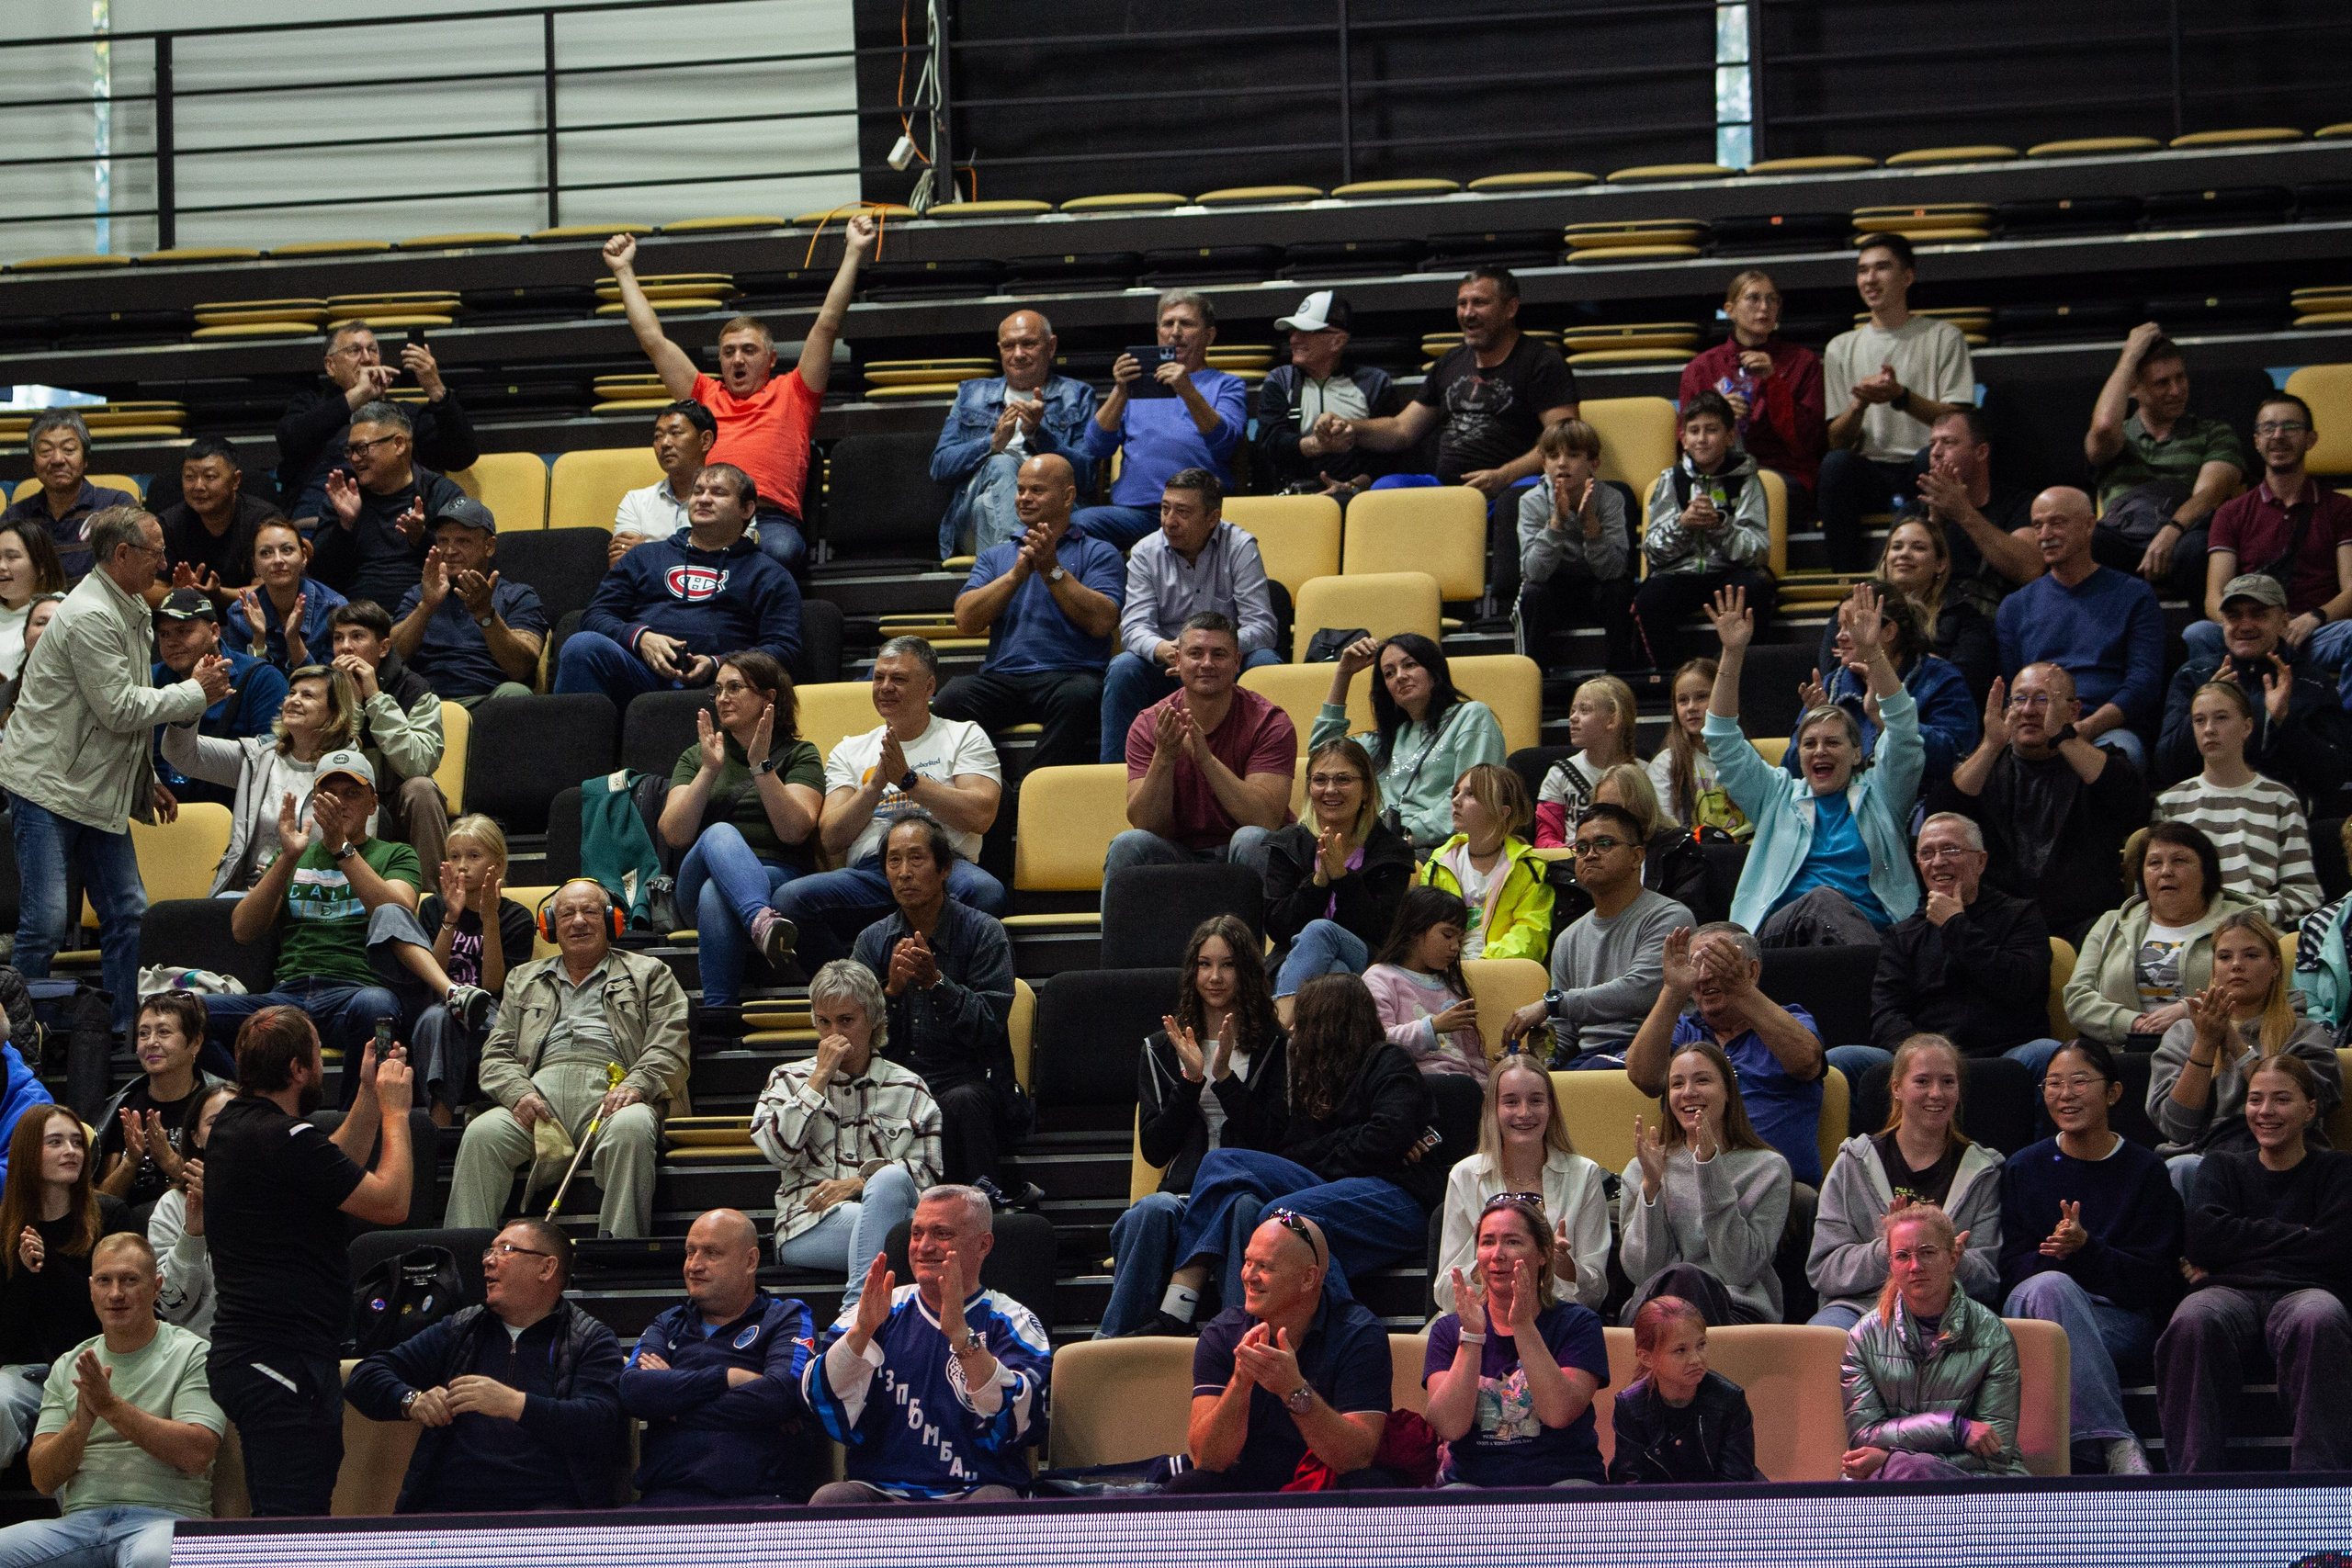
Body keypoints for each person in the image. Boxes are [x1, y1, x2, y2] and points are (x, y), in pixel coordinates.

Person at [0, 508, 229, 1034]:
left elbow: (114, 717)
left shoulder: (127, 604)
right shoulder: (90, 615)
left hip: (94, 788)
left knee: (128, 913)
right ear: (122, 554)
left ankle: (127, 1034)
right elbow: (121, 707)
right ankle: (17, 1037)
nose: (165, 562)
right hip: (46, 788)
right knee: (45, 924)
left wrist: (143, 776)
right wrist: (195, 692)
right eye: (156, 552)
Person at [203, 1008, 414, 1516]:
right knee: (293, 1529)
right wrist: (395, 1112)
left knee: (287, 1520)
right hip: (278, 1359)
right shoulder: (281, 1137)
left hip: (262, 1355)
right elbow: (392, 1202)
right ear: (300, 1070)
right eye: (319, 1055)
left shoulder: (243, 1124)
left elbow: (328, 1171)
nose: (324, 1064)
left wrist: (366, 1091)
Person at [603, 217, 878, 575]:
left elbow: (827, 323)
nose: (737, 359)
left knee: (777, 552)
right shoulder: (703, 394)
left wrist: (854, 251)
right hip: (706, 515)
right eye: (729, 351)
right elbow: (654, 342)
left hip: (769, 521)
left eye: (749, 350)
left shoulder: (795, 391)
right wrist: (623, 271)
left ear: (771, 358)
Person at [1163, 974, 1439, 1314]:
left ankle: (1180, 1302)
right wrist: (1356, 1136)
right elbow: (1292, 1153)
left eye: (1303, 1021)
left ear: (1329, 1023)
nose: (1293, 1032)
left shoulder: (1389, 1061)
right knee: (1243, 1202)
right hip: (1330, 1191)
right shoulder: (1317, 1078)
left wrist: (1341, 1146)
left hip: (1396, 1200)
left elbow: (1387, 1137)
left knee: (1271, 1209)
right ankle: (1243, 1326)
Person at [447, 880, 691, 1240]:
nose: (579, 921)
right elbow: (496, 1054)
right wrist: (518, 1094)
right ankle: (465, 1256)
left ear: (611, 921)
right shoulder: (523, 979)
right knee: (482, 1134)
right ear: (549, 926)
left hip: (615, 1097)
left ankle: (620, 1250)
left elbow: (670, 1044)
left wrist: (637, 1086)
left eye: (590, 912)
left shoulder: (650, 973)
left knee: (633, 1128)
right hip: (537, 1100)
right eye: (567, 914)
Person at [345, 1219, 625, 1514]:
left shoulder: (589, 1339)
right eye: (488, 1252)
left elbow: (601, 1423)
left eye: (505, 1250)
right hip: (449, 1507)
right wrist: (412, 1401)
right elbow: (365, 1375)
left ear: (547, 1268)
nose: (489, 1262)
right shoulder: (462, 1327)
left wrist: (515, 1404)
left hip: (545, 1509)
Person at [2158, 1053, 2352, 1473]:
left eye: (2281, 1100)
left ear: (2310, 1109)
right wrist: (2300, 1235)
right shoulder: (2221, 1165)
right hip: (2229, 1292)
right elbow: (2204, 1240)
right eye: (2255, 1099)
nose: (2265, 1112)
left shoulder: (2338, 1169)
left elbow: (2337, 1247)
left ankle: (2318, 1491)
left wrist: (2241, 1237)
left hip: (2307, 1293)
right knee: (2193, 1319)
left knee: (2320, 1318)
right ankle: (2193, 1490)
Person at [1100, 916, 1290, 1339]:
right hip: (1182, 1188)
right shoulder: (1161, 1048)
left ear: (1247, 972)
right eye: (1205, 964)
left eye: (1228, 965)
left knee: (1239, 1207)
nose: (1216, 977)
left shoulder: (1276, 1046)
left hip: (1250, 1189)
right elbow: (1154, 1148)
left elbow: (1273, 1141)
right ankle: (1113, 1343)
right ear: (1193, 971)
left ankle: (1239, 1339)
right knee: (1150, 1210)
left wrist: (1225, 1081)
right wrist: (1190, 1081)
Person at [1703, 584, 1922, 947]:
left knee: (1830, 905)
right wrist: (1732, 653)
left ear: (1857, 753)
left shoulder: (1881, 794)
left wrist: (1873, 654)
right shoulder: (1775, 796)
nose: (1820, 751)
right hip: (1780, 942)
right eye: (1809, 744)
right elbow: (1722, 738)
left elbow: (1903, 730)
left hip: (1872, 937)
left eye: (1833, 742)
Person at [1999, 1037, 2180, 1474]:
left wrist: (2087, 1250)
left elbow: (2154, 1280)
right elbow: (2008, 1271)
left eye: (2079, 1081)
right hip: (2037, 1310)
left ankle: (2080, 1453)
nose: (2065, 1094)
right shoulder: (2024, 1166)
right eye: (2054, 1083)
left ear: (2113, 1092)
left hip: (2118, 1320)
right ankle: (2115, 1440)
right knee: (2052, 1287)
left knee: (2061, 1296)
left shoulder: (2145, 1171)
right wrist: (2061, 1257)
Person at [803, 1185, 1051, 1503]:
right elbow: (817, 1399)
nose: (924, 1246)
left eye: (941, 1234)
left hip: (977, 1490)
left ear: (983, 1245)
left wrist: (963, 1338)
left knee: (996, 1503)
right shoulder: (875, 1309)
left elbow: (1024, 1422)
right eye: (916, 1233)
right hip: (882, 1490)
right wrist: (861, 1333)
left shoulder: (1014, 1320)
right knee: (831, 1499)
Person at [193, 749, 426, 1082]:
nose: (340, 803)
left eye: (352, 794)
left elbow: (398, 910)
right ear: (315, 800)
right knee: (188, 1016)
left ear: (373, 803)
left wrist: (341, 850)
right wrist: (287, 858)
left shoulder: (395, 854)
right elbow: (242, 929)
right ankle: (256, 1099)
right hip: (288, 995)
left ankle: (357, 1122)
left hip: (356, 992)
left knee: (381, 1014)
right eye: (329, 794)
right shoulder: (293, 855)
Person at [781, 637, 1005, 971]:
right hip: (874, 873)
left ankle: (942, 989)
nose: (885, 687)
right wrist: (874, 787)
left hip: (944, 868)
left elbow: (982, 814)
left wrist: (909, 781)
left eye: (898, 679)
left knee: (986, 891)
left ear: (929, 687)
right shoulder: (850, 750)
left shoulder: (964, 736)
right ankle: (860, 993)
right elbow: (831, 837)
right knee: (790, 900)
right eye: (879, 677)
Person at [1, 1233, 222, 1568]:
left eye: (130, 1280)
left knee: (152, 1560)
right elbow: (43, 1480)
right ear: (91, 1289)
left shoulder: (193, 1354)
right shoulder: (71, 1364)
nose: (116, 1293)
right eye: (104, 1281)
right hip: (79, 1524)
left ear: (156, 1286)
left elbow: (196, 1454)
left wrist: (110, 1407)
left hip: (165, 1521)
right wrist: (81, 1424)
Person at [851, 814, 1027, 1192]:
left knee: (963, 1102)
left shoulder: (984, 932)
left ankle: (984, 1205)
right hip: (895, 1082)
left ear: (945, 868)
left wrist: (936, 983)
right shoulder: (871, 941)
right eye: (894, 861)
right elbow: (856, 1035)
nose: (904, 873)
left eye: (917, 859)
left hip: (968, 1078)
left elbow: (988, 1026)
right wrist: (892, 993)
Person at [1321, 266, 1579, 521]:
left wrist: (1503, 476)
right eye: (1462, 304)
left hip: (1509, 487)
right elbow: (1401, 430)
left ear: (1510, 308)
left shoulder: (1541, 361)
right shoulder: (1450, 362)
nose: (1468, 313)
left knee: (1525, 497)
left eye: (1479, 303)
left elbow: (1562, 438)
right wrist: (1350, 428)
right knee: (1386, 490)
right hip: (1446, 488)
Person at [1171, 1211, 1396, 1494]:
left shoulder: (1359, 1334)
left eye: (1264, 1266)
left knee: (1369, 1486)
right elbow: (1206, 1458)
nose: (1248, 1276)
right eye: (1247, 1261)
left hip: (1326, 1484)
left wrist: (1293, 1390)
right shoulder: (1222, 1333)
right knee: (1190, 1486)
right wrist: (1240, 1383)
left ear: (1308, 1279)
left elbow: (1356, 1457)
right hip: (1247, 1483)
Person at [751, 960, 938, 1296]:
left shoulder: (910, 1088)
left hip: (894, 1217)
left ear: (875, 1020)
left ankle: (856, 1310)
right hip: (808, 1224)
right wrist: (817, 1082)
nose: (834, 1033)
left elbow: (928, 1176)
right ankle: (861, 1308)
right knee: (914, 1238)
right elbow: (778, 1152)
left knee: (892, 1180)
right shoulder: (787, 1079)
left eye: (846, 1020)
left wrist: (860, 1183)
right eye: (824, 1021)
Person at [933, 454, 1124, 773]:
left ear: (1068, 496)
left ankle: (1036, 791)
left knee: (1081, 696)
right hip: (1004, 679)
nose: (1024, 498)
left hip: (1070, 675)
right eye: (1020, 490)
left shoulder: (1099, 552)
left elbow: (1103, 621)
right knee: (951, 698)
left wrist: (1052, 570)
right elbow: (966, 620)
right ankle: (990, 788)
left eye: (1036, 490)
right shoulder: (996, 557)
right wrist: (1015, 576)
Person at [1938, 662, 2151, 945]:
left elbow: (2135, 805)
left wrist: (2063, 736)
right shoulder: (1988, 769)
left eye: (2043, 699)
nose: (2029, 710)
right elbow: (1940, 817)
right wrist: (1990, 746)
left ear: (2074, 711)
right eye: (2020, 700)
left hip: (2086, 926)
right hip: (2001, 928)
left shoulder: (2100, 761)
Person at [656, 651, 824, 1006]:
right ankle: (761, 923)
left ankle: (719, 1011)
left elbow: (795, 831)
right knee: (719, 833)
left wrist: (761, 766)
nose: (722, 698)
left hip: (778, 877)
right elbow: (674, 834)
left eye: (734, 688)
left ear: (769, 697)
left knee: (715, 894)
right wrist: (709, 771)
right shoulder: (698, 755)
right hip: (697, 873)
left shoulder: (800, 754)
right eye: (717, 690)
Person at [556, 463, 803, 701]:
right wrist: (641, 638)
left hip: (721, 689)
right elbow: (596, 616)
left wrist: (719, 664)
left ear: (747, 509)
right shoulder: (643, 557)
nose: (704, 499)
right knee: (582, 646)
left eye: (718, 493)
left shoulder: (770, 575)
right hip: (640, 673)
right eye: (698, 492)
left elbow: (783, 649)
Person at [1807, 1034, 2004, 1331]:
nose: (1936, 1093)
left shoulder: (1983, 1171)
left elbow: (1988, 1278)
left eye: (1948, 1082)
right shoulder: (1854, 1163)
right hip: (1861, 1308)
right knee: (1822, 1336)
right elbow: (1824, 1268)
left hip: (1947, 1312)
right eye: (1922, 1081)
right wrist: (1888, 1248)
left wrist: (1949, 1257)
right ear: (1897, 1088)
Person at [620, 1208, 815, 1507]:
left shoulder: (786, 1317)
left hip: (762, 1499)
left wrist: (674, 1407)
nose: (694, 1265)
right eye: (689, 1253)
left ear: (750, 1261)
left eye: (711, 1253)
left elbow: (782, 1393)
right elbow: (634, 1391)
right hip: (665, 1499)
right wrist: (728, 1378)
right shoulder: (668, 1322)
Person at [2149, 911, 2340, 1200]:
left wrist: (2234, 1043)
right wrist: (2205, 1042)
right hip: (2201, 1160)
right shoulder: (2184, 1034)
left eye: (2251, 956)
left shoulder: (2304, 1033)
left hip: (2285, 1164)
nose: (2237, 965)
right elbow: (2177, 1128)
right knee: (2181, 1168)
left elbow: (2308, 1117)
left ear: (2275, 966)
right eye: (2225, 957)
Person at [1425, 1194, 1609, 1487]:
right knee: (1455, 1496)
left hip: (1562, 1479)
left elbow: (1558, 1413)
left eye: (1512, 1241)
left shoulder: (1579, 1324)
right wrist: (1471, 1337)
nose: (1498, 1254)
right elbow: (1448, 1425)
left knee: (1574, 1493)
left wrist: (1522, 1325)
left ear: (1543, 1253)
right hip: (1475, 1483)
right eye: (1487, 1242)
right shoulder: (1449, 1330)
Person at [1099, 469, 1282, 762]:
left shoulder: (1240, 546)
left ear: (1212, 518)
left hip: (1223, 665)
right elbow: (1134, 628)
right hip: (1169, 663)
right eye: (1165, 508)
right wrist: (1166, 650)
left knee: (1265, 662)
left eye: (1182, 512)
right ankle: (1114, 779)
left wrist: (1209, 651)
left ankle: (1266, 764)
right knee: (1123, 668)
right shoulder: (1145, 552)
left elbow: (1262, 628)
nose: (1169, 520)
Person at [1817, 233, 1974, 573]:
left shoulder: (1944, 337)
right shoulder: (1840, 348)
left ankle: (1937, 572)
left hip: (1925, 463)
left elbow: (1958, 419)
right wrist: (1859, 404)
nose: (1869, 279)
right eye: (1862, 270)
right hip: (1871, 469)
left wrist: (1901, 397)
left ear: (1907, 277)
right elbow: (1837, 440)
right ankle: (1844, 578)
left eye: (1881, 268)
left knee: (1929, 459)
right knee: (1835, 465)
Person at [1627, 921, 1826, 1186]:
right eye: (1695, 965)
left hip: (1775, 1186)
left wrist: (1742, 991)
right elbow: (1643, 1078)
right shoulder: (1684, 1031)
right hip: (1689, 1183)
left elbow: (1807, 1063)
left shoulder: (1790, 1021)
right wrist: (1674, 989)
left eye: (1717, 962)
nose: (1703, 976)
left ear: (1752, 970)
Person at [1839, 1201, 2028, 1480]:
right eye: (1902, 1256)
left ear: (1953, 1258)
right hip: (1888, 1478)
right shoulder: (1864, 1336)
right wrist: (1954, 1428)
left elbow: (1997, 1449)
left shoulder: (1992, 1335)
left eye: (1927, 1253)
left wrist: (1895, 1459)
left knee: (1915, 1470)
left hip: (1976, 1480)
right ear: (1891, 1264)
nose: (1915, 1266)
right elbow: (1864, 1437)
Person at [366, 813, 530, 1122]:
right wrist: (450, 919)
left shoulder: (515, 917)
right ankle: (456, 995)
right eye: (454, 857)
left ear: (499, 864)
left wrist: (489, 920)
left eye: (474, 856)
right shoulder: (433, 907)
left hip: (488, 1016)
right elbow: (429, 974)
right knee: (438, 1015)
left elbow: (494, 985)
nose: (462, 866)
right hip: (437, 1005)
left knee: (440, 1018)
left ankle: (437, 1127)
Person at [1106, 612, 1295, 880]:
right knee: (1128, 844)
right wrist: (1164, 757)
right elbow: (1147, 825)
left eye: (1219, 654)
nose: (1207, 663)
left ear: (1237, 662)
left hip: (1243, 849)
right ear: (1177, 661)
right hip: (1180, 853)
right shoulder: (1150, 724)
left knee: (1251, 838)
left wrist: (1206, 760)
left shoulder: (1269, 721)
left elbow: (1265, 820)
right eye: (1196, 653)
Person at [1504, 803, 1692, 1070]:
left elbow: (1638, 991)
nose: (1590, 855)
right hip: (1591, 1060)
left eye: (1604, 844)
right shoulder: (1568, 938)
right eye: (1581, 848)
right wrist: (1538, 1060)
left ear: (1637, 856)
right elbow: (1566, 1029)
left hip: (1656, 1053)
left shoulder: (1669, 918)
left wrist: (1554, 1003)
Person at [1618, 1039, 1794, 1325]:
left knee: (1687, 1279)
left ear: (1728, 1092)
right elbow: (1641, 1273)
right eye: (1677, 1084)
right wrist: (1651, 1188)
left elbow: (1739, 1269)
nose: (1688, 1093)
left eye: (1702, 1081)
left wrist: (1709, 1166)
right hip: (1657, 1313)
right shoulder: (1642, 1169)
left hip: (1734, 1309)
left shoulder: (1768, 1168)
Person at [1866, 814, 2056, 1073]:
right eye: (1927, 854)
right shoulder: (1902, 934)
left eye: (1950, 850)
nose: (1938, 862)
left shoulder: (2021, 915)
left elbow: (2018, 986)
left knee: (2045, 1052)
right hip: (1925, 1060)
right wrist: (1926, 1054)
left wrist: (1954, 924)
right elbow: (1887, 1014)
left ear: (1981, 861)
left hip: (2006, 1054)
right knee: (1846, 1059)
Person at [0, 1109, 135, 1466]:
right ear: (29, 1152)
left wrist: (48, 1266)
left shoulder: (111, 1216)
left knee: (82, 1418)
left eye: (77, 1142)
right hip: (25, 1372)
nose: (72, 1151)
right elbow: (6, 1338)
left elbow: (113, 1311)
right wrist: (27, 1273)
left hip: (97, 1367)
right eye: (56, 1142)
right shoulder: (3, 1228)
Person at [1999, 487, 2166, 770]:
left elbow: (2143, 684)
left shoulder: (2134, 595)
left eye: (2057, 523)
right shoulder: (2015, 606)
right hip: (2034, 727)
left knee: (2125, 756)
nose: (2045, 535)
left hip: (2104, 729)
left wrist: (2085, 728)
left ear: (2089, 525)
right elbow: (2008, 689)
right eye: (2037, 526)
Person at [164, 661, 359, 899]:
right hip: (250, 891)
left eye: (308, 695)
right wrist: (192, 707)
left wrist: (283, 880)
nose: (294, 700)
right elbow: (182, 755)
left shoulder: (352, 770)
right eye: (292, 693)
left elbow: (359, 850)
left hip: (320, 892)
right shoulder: (258, 757)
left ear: (335, 711)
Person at [1432, 1055, 1611, 1314]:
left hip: (1554, 1323)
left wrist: (1561, 1263)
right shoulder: (1464, 1175)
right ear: (1492, 1109)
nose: (1524, 1113)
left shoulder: (1584, 1174)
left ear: (1551, 1107)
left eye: (1536, 1100)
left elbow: (1596, 1295)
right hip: (1484, 1323)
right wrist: (1489, 1261)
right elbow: (1446, 1296)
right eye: (1511, 1102)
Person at [1075, 290, 1248, 549]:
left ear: (1209, 335)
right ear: (1158, 332)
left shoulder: (1226, 385)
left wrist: (1187, 390)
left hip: (1198, 514)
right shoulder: (1134, 384)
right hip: (1137, 514)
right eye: (1168, 324)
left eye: (1186, 324)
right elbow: (1097, 446)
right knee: (1075, 525)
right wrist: (1121, 392)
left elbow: (1226, 444)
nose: (1175, 332)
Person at [2086, 324, 2246, 600]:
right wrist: (2129, 355)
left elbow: (2210, 495)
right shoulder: (2117, 437)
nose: (2176, 390)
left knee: (2199, 547)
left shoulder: (2213, 432)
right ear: (2134, 388)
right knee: (2086, 542)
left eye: (2180, 378)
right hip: (2123, 539)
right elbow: (2102, 427)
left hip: (2184, 538)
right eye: (2162, 383)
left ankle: (2203, 636)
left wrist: (2170, 533)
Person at [2159, 573, 2352, 802]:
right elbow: (2167, 768)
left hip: (2284, 811)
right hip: (2206, 806)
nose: (2245, 625)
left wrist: (2285, 720)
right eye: (2234, 616)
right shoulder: (2194, 676)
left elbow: (2333, 775)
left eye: (2258, 614)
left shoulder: (2313, 682)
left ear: (2284, 621)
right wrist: (2208, 707)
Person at [2066, 821, 2258, 1049]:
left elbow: (2261, 989)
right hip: (2123, 1054)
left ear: (2206, 872)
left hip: (2215, 1052)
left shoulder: (2242, 922)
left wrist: (2189, 1011)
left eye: (2179, 861)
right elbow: (2077, 997)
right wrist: (2134, 1024)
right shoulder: (2111, 923)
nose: (2166, 871)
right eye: (2155, 863)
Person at [1894, 409, 2043, 699]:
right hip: (1931, 627)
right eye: (1933, 443)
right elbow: (1901, 580)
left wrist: (1962, 512)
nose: (1934, 453)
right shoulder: (1914, 512)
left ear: (1981, 451)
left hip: (1997, 630)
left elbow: (2029, 568)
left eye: (1948, 443)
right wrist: (1935, 521)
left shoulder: (2018, 504)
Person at [1314, 632, 1507, 853]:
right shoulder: (1386, 740)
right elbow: (1323, 755)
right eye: (1389, 673)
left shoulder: (1470, 716)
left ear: (1433, 671)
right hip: (1381, 847)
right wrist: (1344, 673)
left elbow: (1477, 794)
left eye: (1410, 665)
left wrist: (1409, 836)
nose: (1400, 676)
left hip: (1442, 847)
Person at [930, 309, 1099, 556]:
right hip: (970, 524)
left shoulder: (1076, 396)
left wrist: (1039, 437)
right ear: (1000, 349)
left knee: (986, 506)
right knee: (1002, 465)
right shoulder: (971, 394)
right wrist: (992, 443)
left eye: (1028, 344)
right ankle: (1022, 566)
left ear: (1051, 347)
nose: (1018, 354)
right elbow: (939, 466)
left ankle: (1012, 573)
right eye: (1009, 346)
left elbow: (1086, 475)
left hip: (1050, 516)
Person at [1263, 738, 1415, 1012]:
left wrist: (1343, 879)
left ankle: (1279, 1030)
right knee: (1335, 973)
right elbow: (1279, 927)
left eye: (1343, 779)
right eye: (1320, 780)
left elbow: (1382, 932)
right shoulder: (1288, 844)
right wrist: (1319, 882)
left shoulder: (1391, 852)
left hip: (1368, 961)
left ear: (1367, 789)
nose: (1330, 790)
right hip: (1297, 960)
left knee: (1322, 931)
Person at [1631, 391, 1778, 673]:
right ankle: (1672, 680)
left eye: (1711, 430)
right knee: (1649, 599)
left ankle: (1742, 676)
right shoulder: (1670, 480)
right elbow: (1653, 550)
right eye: (1694, 431)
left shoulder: (1747, 480)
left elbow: (1758, 551)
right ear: (1683, 439)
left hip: (1727, 572)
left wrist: (1721, 528)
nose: (1702, 439)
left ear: (1729, 436)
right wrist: (1683, 525)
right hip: (1679, 573)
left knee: (1755, 589)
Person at [1790, 574, 1977, 795]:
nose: (1839, 636)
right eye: (1839, 627)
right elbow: (1791, 770)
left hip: (1921, 808)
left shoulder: (1940, 679)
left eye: (1851, 626)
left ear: (1889, 631)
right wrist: (1814, 729)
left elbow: (1953, 759)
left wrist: (1886, 720)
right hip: (1845, 809)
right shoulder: (1832, 685)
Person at [2155, 680, 2322, 926]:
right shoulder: (2170, 803)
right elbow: (2153, 892)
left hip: (2255, 930)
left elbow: (2305, 894)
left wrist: (2247, 915)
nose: (2209, 729)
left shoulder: (2280, 800)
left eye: (2221, 718)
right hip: (2187, 931)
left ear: (2246, 727)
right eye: (2199, 720)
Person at [276, 321, 475, 525]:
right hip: (316, 525)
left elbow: (461, 456)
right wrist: (356, 396)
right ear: (330, 366)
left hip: (389, 527)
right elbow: (291, 439)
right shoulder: (310, 404)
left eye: (373, 350)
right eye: (354, 350)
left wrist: (435, 388)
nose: (368, 358)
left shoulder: (403, 414)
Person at [1680, 269, 1827, 513]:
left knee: (1759, 493)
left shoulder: (1803, 362)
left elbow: (1810, 442)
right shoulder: (1700, 369)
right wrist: (1718, 415)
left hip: (1782, 475)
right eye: (1754, 298)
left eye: (1772, 300)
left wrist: (1774, 383)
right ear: (1730, 309)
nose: (1764, 307)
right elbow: (1684, 441)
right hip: (1716, 473)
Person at [325, 600, 449, 876]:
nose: (345, 646)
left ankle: (432, 899)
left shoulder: (415, 690)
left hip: (397, 804)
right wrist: (351, 707)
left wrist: (377, 701)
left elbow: (419, 765)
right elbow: (325, 765)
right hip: (340, 800)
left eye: (356, 636)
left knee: (423, 790)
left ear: (383, 647)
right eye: (338, 638)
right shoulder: (322, 692)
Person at [388, 494, 546, 704]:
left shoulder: (518, 596)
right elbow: (392, 658)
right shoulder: (418, 595)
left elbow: (521, 668)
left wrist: (485, 615)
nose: (450, 551)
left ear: (489, 546)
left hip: (488, 701)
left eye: (463, 541)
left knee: (515, 693)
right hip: (425, 703)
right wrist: (426, 607)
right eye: (443, 540)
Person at [309, 401, 468, 608]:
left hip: (429, 613)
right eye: (350, 451)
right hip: (358, 619)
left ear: (399, 444)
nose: (354, 459)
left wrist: (422, 539)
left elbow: (465, 565)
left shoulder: (440, 493)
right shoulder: (344, 494)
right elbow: (320, 575)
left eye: (362, 448)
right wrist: (345, 526)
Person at [149, 588, 288, 809]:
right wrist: (148, 779)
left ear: (215, 631)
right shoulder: (150, 679)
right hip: (163, 815)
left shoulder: (261, 678)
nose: (171, 642)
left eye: (183, 631)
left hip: (235, 813)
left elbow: (271, 762)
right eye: (164, 634)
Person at [1516, 419, 1635, 672]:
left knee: (1621, 591)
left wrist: (1591, 525)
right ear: (1543, 464)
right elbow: (1533, 572)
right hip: (1552, 586)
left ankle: (1621, 679)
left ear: (1594, 463)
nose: (1561, 463)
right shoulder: (1531, 502)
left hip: (1596, 585)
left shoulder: (1611, 499)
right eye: (1553, 455)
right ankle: (1536, 683)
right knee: (1533, 595)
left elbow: (1614, 571)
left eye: (1572, 455)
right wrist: (1557, 523)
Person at [1255, 291, 1398, 496]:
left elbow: (1388, 456)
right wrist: (1318, 445)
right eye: (1293, 331)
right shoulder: (1280, 380)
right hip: (1292, 501)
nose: (1294, 339)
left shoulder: (1374, 383)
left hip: (1357, 501)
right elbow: (1271, 444)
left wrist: (1353, 487)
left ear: (1337, 341)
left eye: (1306, 331)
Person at [1606, 1296, 1760, 1483]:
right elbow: (1630, 1483)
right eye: (1681, 1350)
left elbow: (1736, 1481)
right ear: (1646, 1358)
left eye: (1701, 1345)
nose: (1696, 1359)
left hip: (1719, 1506)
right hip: (1659, 1508)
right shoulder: (1630, 1406)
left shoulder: (1729, 1399)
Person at [94, 996, 228, 1211]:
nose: (151, 1042)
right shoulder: (123, 1106)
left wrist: (170, 1161)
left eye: (164, 1032)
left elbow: (230, 1191)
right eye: (144, 1033)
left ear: (195, 1042)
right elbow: (103, 1206)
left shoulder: (218, 1104)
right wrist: (131, 1162)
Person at [1417, 764, 1553, 964]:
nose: (1455, 801)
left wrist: (1484, 963)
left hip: (1500, 971)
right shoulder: (1438, 864)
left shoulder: (1530, 868)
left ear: (1502, 811)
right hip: (1445, 972)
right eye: (1456, 793)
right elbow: (1423, 930)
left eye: (1470, 794)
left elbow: (1530, 934)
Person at [1363, 886, 1487, 1085]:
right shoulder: (1380, 978)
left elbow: (1474, 1057)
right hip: (1409, 1083)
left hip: (1462, 1087)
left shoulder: (1453, 986)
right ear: (1414, 931)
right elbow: (1378, 1043)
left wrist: (1486, 1095)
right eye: (1448, 935)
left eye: (1460, 939)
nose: (1455, 946)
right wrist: (1432, 1027)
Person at [0, 412, 136, 580]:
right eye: (45, 451)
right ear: (34, 463)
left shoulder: (116, 506)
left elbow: (135, 574)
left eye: (68, 449)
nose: (57, 459)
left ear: (85, 459)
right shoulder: (13, 519)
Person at [147, 1083, 234, 1340]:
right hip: (195, 1351)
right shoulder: (173, 1206)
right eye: (215, 1122)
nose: (229, 1128)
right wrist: (193, 1234)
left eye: (238, 1118)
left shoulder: (278, 1195)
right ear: (196, 1137)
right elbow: (170, 1304)